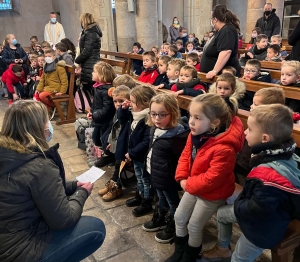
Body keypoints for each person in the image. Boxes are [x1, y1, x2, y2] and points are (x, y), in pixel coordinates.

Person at [0, 100, 106, 262]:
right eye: (46, 120)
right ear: (36, 128)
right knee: (95, 228)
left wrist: (71, 185)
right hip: (19, 252)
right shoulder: (38, 165)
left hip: (6, 239)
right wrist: (82, 192)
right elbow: (64, 220)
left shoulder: (7, 153)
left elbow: (29, 188)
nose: (49, 125)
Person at [202, 104, 300, 262]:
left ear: (265, 139)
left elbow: (256, 210)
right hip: (259, 210)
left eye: (250, 129)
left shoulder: (268, 176)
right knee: (222, 214)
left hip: (262, 229)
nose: (245, 132)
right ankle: (222, 249)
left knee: (239, 258)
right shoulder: (281, 152)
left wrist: (239, 201)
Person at [166, 94, 244, 262]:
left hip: (214, 193)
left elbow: (213, 179)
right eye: (191, 116)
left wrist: (188, 184)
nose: (191, 122)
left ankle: (190, 256)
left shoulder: (224, 148)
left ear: (214, 123)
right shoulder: (195, 134)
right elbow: (186, 155)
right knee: (179, 217)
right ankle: (179, 251)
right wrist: (181, 177)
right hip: (194, 185)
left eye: (197, 118)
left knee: (194, 225)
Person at [142, 94, 189, 243]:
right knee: (161, 197)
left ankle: (174, 225)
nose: (157, 118)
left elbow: (181, 160)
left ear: (173, 113)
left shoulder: (178, 135)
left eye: (162, 115)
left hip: (168, 177)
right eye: (153, 114)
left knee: (172, 202)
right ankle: (160, 218)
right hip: (155, 172)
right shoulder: (153, 129)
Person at [119, 85, 157, 217]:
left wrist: (132, 153)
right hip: (135, 155)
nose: (131, 105)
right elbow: (122, 120)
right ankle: (139, 196)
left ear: (145, 103)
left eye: (133, 102)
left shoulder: (148, 119)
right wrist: (123, 109)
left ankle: (146, 202)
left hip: (143, 156)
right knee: (138, 178)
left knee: (145, 180)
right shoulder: (135, 115)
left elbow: (147, 142)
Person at [234, 87, 285, 179]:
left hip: (248, 167)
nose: (251, 106)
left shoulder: (268, 129)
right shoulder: (256, 121)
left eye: (255, 104)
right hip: (241, 161)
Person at [201, 5, 241, 78]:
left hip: (223, 76)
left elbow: (226, 51)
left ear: (215, 20)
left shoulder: (227, 30)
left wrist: (215, 70)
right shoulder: (220, 31)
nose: (211, 21)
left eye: (211, 18)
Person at [86, 61, 116, 159]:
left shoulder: (106, 91)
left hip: (105, 121)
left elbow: (107, 109)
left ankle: (107, 156)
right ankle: (100, 153)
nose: (92, 73)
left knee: (104, 139)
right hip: (98, 118)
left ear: (102, 75)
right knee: (95, 137)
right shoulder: (98, 88)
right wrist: (91, 111)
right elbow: (96, 104)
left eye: (94, 72)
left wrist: (94, 115)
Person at [75, 13, 102, 94]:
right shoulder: (88, 32)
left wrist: (77, 61)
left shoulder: (91, 33)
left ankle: (93, 105)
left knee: (91, 87)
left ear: (85, 21)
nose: (81, 23)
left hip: (91, 63)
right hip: (88, 62)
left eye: (81, 21)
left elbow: (87, 51)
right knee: (88, 88)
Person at [36, 48, 68, 116]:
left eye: (49, 56)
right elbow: (42, 79)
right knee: (38, 94)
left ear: (54, 57)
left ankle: (54, 105)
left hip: (56, 88)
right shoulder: (46, 66)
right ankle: (48, 109)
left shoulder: (59, 67)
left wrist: (62, 91)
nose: (47, 58)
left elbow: (64, 81)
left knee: (41, 96)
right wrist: (38, 89)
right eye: (46, 56)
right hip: (49, 87)